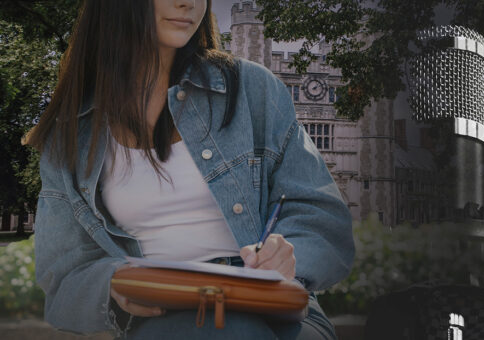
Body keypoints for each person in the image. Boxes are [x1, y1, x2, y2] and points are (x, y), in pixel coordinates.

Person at [27, 0, 354, 339]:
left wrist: (290, 255)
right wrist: (113, 282)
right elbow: (62, 272)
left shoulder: (255, 88)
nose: (188, 2)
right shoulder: (70, 133)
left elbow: (322, 215)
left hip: (275, 306)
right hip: (164, 311)